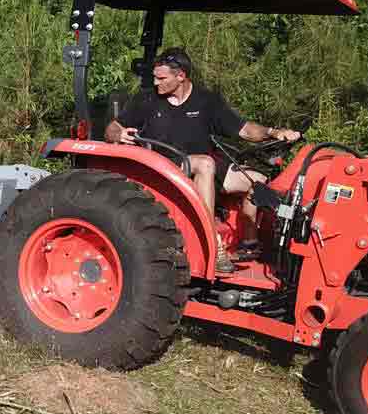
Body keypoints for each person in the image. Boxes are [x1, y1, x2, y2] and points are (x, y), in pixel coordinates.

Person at [103, 48, 300, 275]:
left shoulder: (207, 101)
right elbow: (111, 129)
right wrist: (118, 134)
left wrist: (274, 132)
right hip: (162, 168)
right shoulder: (147, 99)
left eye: (162, 78)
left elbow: (245, 130)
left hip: (201, 166)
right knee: (205, 163)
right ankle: (213, 246)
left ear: (181, 76)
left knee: (258, 182)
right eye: (155, 78)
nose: (156, 83)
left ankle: (248, 243)